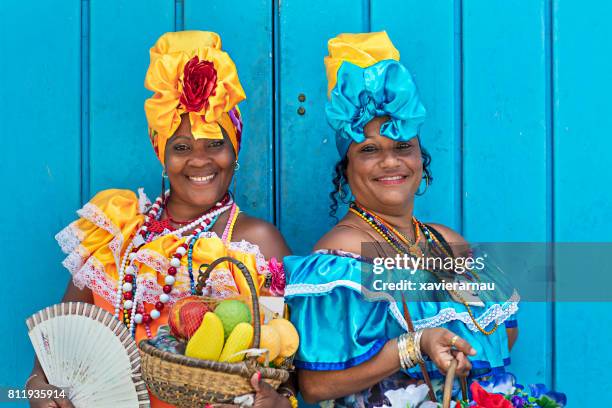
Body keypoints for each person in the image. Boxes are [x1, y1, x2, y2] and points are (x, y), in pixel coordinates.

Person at [26, 31, 296, 408]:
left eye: (215, 144)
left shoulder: (256, 242)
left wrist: (278, 404)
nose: (199, 161)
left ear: (235, 150)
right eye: (181, 147)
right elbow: (46, 365)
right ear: (162, 156)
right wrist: (38, 392)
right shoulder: (114, 233)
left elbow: (288, 379)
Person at [284, 31, 519, 407]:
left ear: (420, 159)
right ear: (347, 168)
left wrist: (457, 353)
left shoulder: (447, 241)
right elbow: (314, 386)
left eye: (402, 147)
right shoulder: (338, 257)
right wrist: (413, 347)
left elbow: (502, 330)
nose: (391, 162)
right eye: (370, 150)